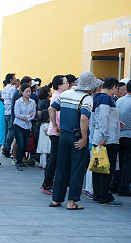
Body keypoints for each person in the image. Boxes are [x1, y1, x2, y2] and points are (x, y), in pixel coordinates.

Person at [49, 72, 102, 210]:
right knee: (77, 169)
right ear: (91, 87)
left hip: (64, 136)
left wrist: (55, 126)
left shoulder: (66, 94)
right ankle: (71, 202)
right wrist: (85, 137)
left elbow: (51, 108)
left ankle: (56, 199)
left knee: (61, 168)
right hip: (77, 137)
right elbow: (84, 118)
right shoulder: (87, 98)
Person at [91, 77, 122, 206]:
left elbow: (97, 118)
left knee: (98, 167)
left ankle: (98, 194)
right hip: (107, 140)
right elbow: (103, 117)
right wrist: (105, 135)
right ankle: (105, 196)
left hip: (99, 137)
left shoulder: (97, 97)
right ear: (114, 87)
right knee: (106, 168)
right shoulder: (106, 99)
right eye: (117, 89)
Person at [41, 75, 70, 194]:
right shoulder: (58, 96)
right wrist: (56, 126)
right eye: (66, 83)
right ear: (59, 85)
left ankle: (48, 182)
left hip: (57, 130)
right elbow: (55, 113)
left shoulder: (60, 96)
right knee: (54, 158)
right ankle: (47, 183)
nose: (68, 85)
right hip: (57, 131)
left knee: (54, 158)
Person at [13, 83, 36, 171]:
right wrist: (27, 116)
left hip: (28, 126)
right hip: (18, 125)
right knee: (21, 144)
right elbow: (17, 114)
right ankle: (18, 162)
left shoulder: (32, 102)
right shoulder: (18, 102)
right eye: (26, 91)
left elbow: (33, 113)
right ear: (22, 92)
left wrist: (28, 117)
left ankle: (22, 161)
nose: (28, 93)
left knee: (26, 144)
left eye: (29, 91)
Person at [115, 80, 131, 196]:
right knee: (127, 163)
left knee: (119, 162)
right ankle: (124, 187)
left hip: (119, 135)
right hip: (129, 136)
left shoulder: (119, 100)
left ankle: (115, 184)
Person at [0, 73, 17, 158]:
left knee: (6, 131)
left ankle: (4, 148)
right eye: (14, 78)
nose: (15, 79)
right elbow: (13, 100)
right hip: (10, 112)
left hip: (4, 111)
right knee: (11, 131)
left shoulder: (4, 88)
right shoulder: (12, 89)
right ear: (11, 80)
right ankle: (7, 148)